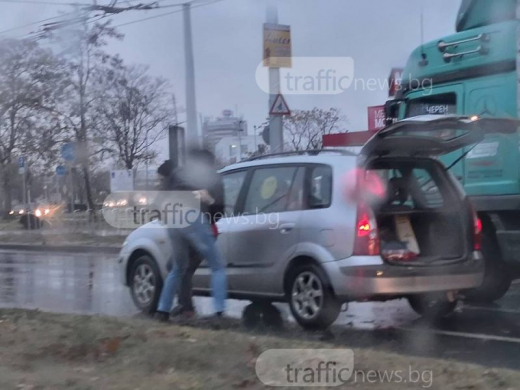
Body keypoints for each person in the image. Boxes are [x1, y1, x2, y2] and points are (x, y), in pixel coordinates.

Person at [155, 149, 227, 322]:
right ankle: (219, 312)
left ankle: (162, 311)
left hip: (173, 220)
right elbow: (218, 210)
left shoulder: (178, 173)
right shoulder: (212, 176)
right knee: (217, 267)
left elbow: (159, 202)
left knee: (178, 268)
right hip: (194, 219)